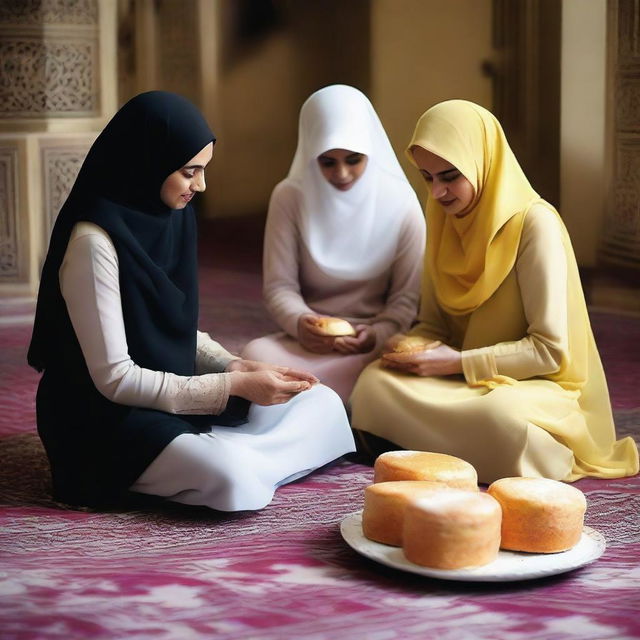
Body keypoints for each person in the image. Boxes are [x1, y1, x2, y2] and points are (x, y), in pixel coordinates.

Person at [27, 91, 355, 511]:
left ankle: (230, 458)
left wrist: (234, 365)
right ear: (147, 161)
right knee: (232, 481)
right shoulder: (93, 243)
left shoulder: (173, 216)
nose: (201, 186)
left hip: (171, 392)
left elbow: (173, 329)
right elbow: (116, 379)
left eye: (202, 170)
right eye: (189, 172)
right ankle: (231, 462)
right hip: (104, 416)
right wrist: (232, 387)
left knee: (322, 404)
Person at [350, 99, 639, 483]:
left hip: (532, 385)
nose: (438, 192)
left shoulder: (535, 225)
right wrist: (409, 347)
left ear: (483, 162)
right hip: (463, 381)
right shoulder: (442, 217)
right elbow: (434, 325)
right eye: (427, 177)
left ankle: (418, 445)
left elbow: (549, 352)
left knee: (503, 418)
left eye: (450, 176)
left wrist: (456, 363)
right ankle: (465, 453)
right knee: (374, 382)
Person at [241, 85, 426, 403]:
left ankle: (313, 401)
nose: (342, 173)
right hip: (306, 342)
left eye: (354, 160)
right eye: (327, 162)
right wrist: (301, 324)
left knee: (391, 366)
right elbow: (279, 287)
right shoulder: (290, 196)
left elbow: (406, 299)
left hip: (375, 343)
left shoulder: (402, 202)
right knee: (255, 355)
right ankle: (332, 401)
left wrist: (378, 334)